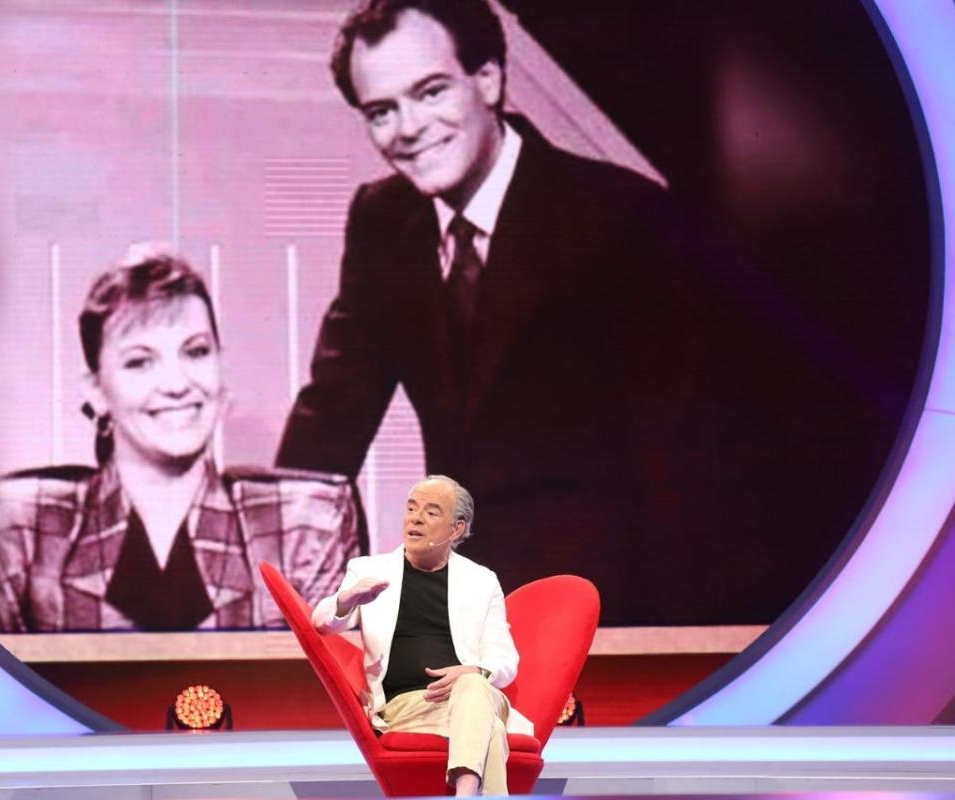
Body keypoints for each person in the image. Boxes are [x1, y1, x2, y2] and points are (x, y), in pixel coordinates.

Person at [278, 0, 710, 624]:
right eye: (381, 111)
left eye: (430, 92)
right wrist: (270, 558)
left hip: (607, 607)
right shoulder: (381, 222)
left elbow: (674, 459)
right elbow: (330, 416)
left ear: (488, 79)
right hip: (460, 608)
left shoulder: (622, 216)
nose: (408, 128)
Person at [0, 246, 361, 632]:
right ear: (97, 391)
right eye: (140, 362)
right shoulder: (18, 527)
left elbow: (331, 670)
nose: (177, 383)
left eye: (196, 352)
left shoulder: (308, 521)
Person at [313, 475, 530, 796]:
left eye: (430, 512)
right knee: (492, 731)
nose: (415, 518)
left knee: (472, 684)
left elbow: (505, 660)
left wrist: (474, 671)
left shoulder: (481, 581)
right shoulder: (369, 570)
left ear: (456, 529)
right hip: (407, 706)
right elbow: (321, 623)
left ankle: (465, 792)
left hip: (473, 698)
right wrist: (347, 599)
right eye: (411, 508)